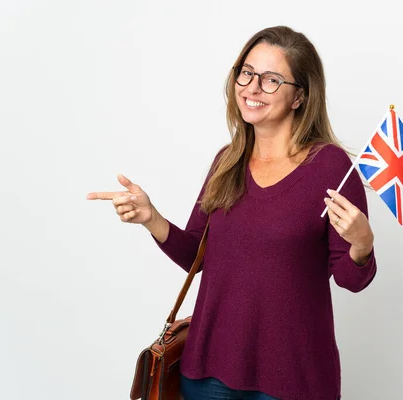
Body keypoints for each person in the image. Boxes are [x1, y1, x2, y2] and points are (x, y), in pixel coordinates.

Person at [87, 25, 377, 400]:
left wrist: (362, 245)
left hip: (295, 379)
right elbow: (197, 255)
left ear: (299, 97)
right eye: (247, 72)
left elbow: (351, 280)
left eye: (272, 79)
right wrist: (151, 217)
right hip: (207, 374)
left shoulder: (331, 166)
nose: (252, 88)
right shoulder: (227, 161)